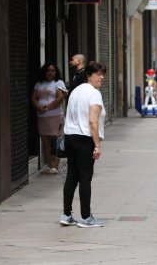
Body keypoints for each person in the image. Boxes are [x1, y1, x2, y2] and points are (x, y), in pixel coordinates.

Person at [60, 61, 107, 228]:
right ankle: (86, 217)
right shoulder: (94, 94)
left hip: (70, 137)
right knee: (85, 178)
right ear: (88, 75)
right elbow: (93, 122)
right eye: (97, 74)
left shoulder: (75, 92)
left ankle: (66, 214)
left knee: (72, 176)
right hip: (85, 139)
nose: (101, 77)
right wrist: (97, 145)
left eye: (103, 74)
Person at [31, 63, 67, 175]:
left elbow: (60, 98)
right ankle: (49, 166)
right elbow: (33, 98)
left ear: (56, 72)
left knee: (56, 141)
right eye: (48, 70)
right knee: (46, 143)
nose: (50, 73)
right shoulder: (39, 83)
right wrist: (38, 107)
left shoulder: (59, 83)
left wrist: (46, 107)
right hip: (42, 117)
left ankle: (55, 167)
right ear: (44, 72)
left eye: (53, 70)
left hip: (55, 116)